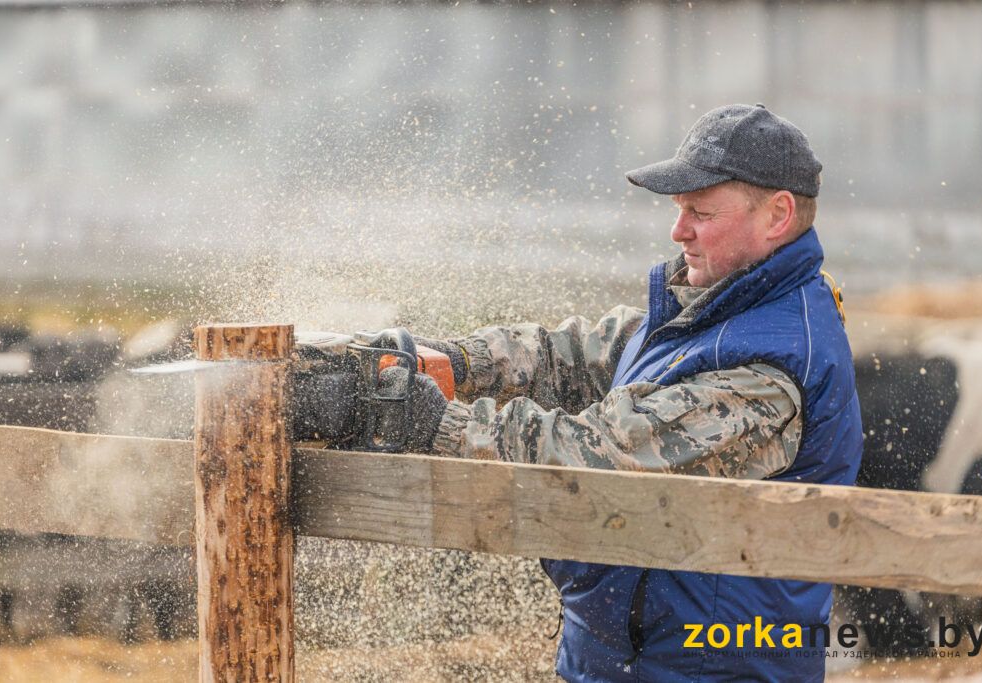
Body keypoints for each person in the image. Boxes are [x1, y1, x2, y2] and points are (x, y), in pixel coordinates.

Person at [343, 103, 863, 681]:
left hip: (705, 668)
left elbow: (601, 452)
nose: (678, 229)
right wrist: (449, 362)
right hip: (627, 659)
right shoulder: (709, 310)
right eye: (678, 209)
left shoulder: (771, 372)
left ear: (777, 215)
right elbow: (569, 354)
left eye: (700, 212)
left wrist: (434, 422)